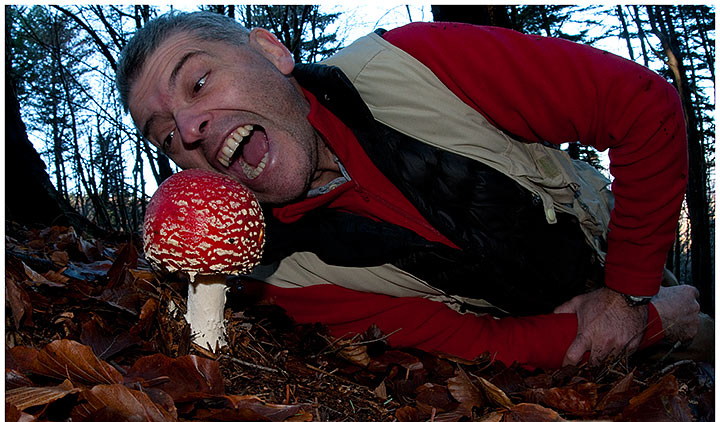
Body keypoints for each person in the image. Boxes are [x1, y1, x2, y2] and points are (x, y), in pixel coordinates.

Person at [117, 11, 701, 369]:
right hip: (567, 332)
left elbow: (639, 107)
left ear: (273, 52)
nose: (189, 129)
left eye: (198, 80)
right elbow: (479, 344)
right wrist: (645, 327)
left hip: (634, 253)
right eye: (166, 135)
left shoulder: (411, 63)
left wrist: (629, 291)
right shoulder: (289, 279)